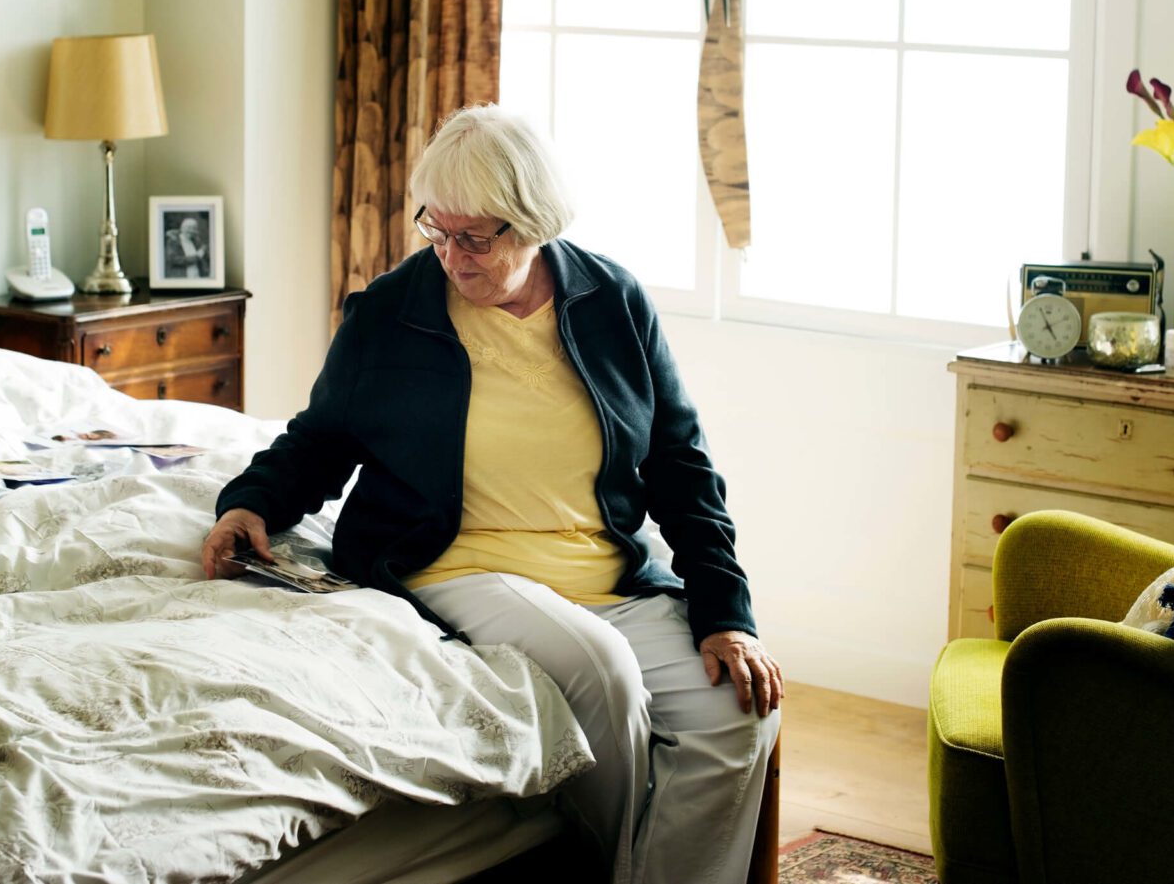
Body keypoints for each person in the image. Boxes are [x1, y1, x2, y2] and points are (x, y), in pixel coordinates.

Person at [201, 104, 781, 884]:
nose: (452, 256)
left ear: (533, 221)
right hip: (457, 565)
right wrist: (250, 502)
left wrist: (726, 613)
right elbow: (321, 438)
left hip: (606, 576)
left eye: (475, 237)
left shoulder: (611, 301)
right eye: (436, 230)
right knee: (602, 668)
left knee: (739, 707)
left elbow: (682, 465)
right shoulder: (392, 313)